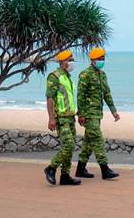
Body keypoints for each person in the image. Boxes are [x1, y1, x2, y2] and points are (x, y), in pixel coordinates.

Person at [75, 47, 121, 180]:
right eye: (100, 59)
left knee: (88, 143)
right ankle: (105, 170)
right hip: (89, 114)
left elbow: (107, 94)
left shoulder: (102, 75)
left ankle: (80, 169)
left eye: (103, 59)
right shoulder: (85, 74)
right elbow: (80, 96)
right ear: (93, 60)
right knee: (98, 140)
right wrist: (81, 114)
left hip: (98, 114)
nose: (102, 61)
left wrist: (114, 111)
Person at [43, 50, 81, 186]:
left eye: (72, 60)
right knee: (68, 145)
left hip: (71, 117)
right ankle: (51, 168)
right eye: (69, 60)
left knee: (70, 147)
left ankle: (65, 176)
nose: (72, 62)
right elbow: (50, 98)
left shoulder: (67, 77)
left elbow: (68, 98)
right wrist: (51, 118)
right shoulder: (54, 76)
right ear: (62, 62)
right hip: (61, 118)